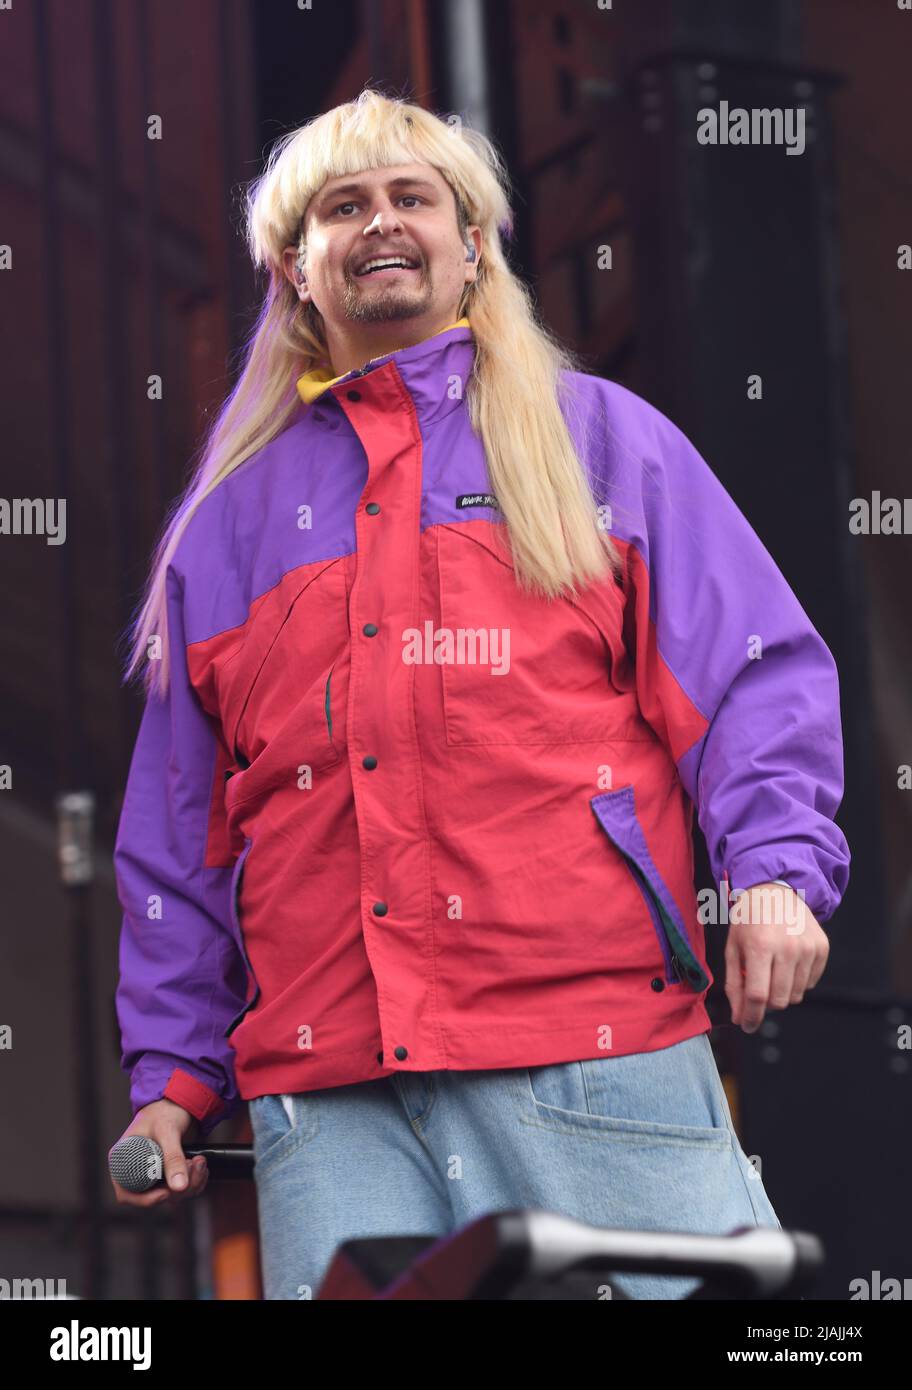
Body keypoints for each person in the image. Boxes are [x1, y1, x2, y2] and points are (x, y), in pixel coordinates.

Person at [109, 88, 850, 1300]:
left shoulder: (601, 443)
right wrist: (173, 1078)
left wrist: (773, 868)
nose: (382, 223)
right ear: (298, 270)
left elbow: (751, 669)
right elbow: (175, 844)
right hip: (331, 1094)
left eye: (414, 198)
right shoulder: (228, 531)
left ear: (473, 248)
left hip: (590, 1045)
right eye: (343, 207)